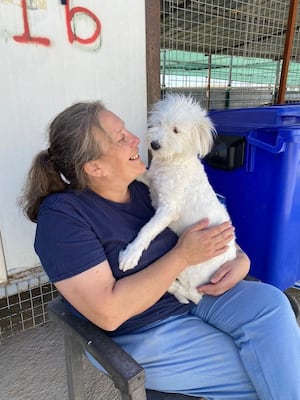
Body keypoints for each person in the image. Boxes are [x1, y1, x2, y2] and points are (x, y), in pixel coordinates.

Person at [20, 100, 300, 400]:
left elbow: (205, 222)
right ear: (94, 167)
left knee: (272, 304)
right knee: (265, 372)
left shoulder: (142, 188)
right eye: (120, 137)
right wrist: (182, 255)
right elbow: (109, 313)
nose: (136, 138)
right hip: (144, 328)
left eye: (127, 129)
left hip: (197, 294)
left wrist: (241, 261)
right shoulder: (63, 217)